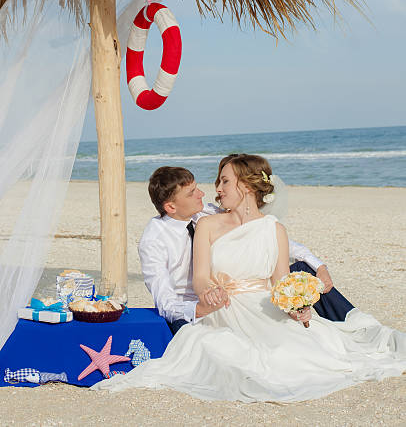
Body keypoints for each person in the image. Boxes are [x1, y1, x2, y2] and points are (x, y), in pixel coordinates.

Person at [93, 155, 406, 401]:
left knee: (307, 345)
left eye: (220, 182)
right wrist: (205, 301)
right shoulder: (168, 235)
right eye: (194, 191)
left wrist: (302, 291)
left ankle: (335, 318)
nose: (209, 191)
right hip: (205, 308)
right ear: (171, 206)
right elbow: (180, 290)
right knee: (233, 359)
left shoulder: (218, 216)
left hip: (261, 301)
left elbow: (277, 262)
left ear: (246, 185)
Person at [138, 164, 352, 336]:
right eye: (192, 192)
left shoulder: (206, 212)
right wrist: (202, 308)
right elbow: (165, 301)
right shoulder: (154, 240)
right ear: (171, 207)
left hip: (237, 291)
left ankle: (346, 319)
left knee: (305, 270)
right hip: (195, 307)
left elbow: (265, 237)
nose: (203, 193)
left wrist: (320, 265)